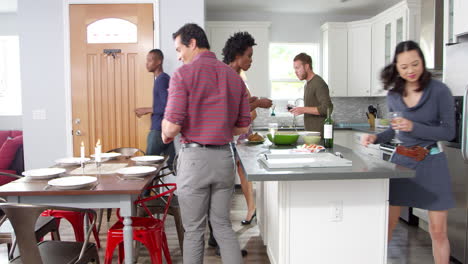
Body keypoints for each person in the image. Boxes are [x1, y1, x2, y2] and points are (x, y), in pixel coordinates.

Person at [162, 23, 251, 264]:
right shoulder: (235, 78)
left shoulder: (183, 74)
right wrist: (218, 127)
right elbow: (243, 127)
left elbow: (171, 128)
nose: (179, 57)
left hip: (195, 161)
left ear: (192, 43)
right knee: (222, 226)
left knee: (194, 231)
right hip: (224, 159)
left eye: (179, 49)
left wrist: (165, 132)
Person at [361, 40, 455, 264]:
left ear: (422, 61)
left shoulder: (439, 90)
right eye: (404, 67)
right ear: (396, 67)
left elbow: (449, 132)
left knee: (438, 231)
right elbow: (395, 129)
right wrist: (376, 137)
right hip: (401, 163)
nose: (410, 71)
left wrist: (415, 127)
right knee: (388, 224)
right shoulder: (394, 95)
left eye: (415, 64)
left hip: (432, 163)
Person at [134, 49, 175, 169]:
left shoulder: (162, 80)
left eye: (150, 60)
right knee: (173, 165)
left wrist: (146, 110)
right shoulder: (164, 79)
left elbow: (167, 106)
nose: (147, 63)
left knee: (147, 168)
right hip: (164, 130)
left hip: (158, 131)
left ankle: (144, 189)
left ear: (159, 62)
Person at [290, 53, 333, 136]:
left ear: (306, 66)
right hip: (311, 135)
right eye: (294, 69)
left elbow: (327, 108)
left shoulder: (318, 83)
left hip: (319, 136)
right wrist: (299, 109)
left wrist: (303, 109)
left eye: (297, 68)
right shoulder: (307, 84)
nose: (295, 72)